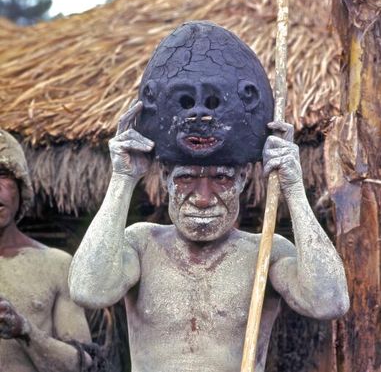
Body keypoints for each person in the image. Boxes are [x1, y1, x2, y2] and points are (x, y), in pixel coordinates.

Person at [69, 99, 349, 371]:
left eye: (221, 179)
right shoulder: (142, 245)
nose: (203, 198)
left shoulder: (265, 253)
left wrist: (293, 186)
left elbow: (329, 301)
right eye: (187, 178)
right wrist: (123, 178)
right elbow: (88, 290)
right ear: (166, 177)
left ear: (242, 180)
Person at [0, 129, 94, 372]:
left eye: (3, 175)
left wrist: (24, 329)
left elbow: (81, 364)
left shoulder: (55, 264)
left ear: (21, 188)